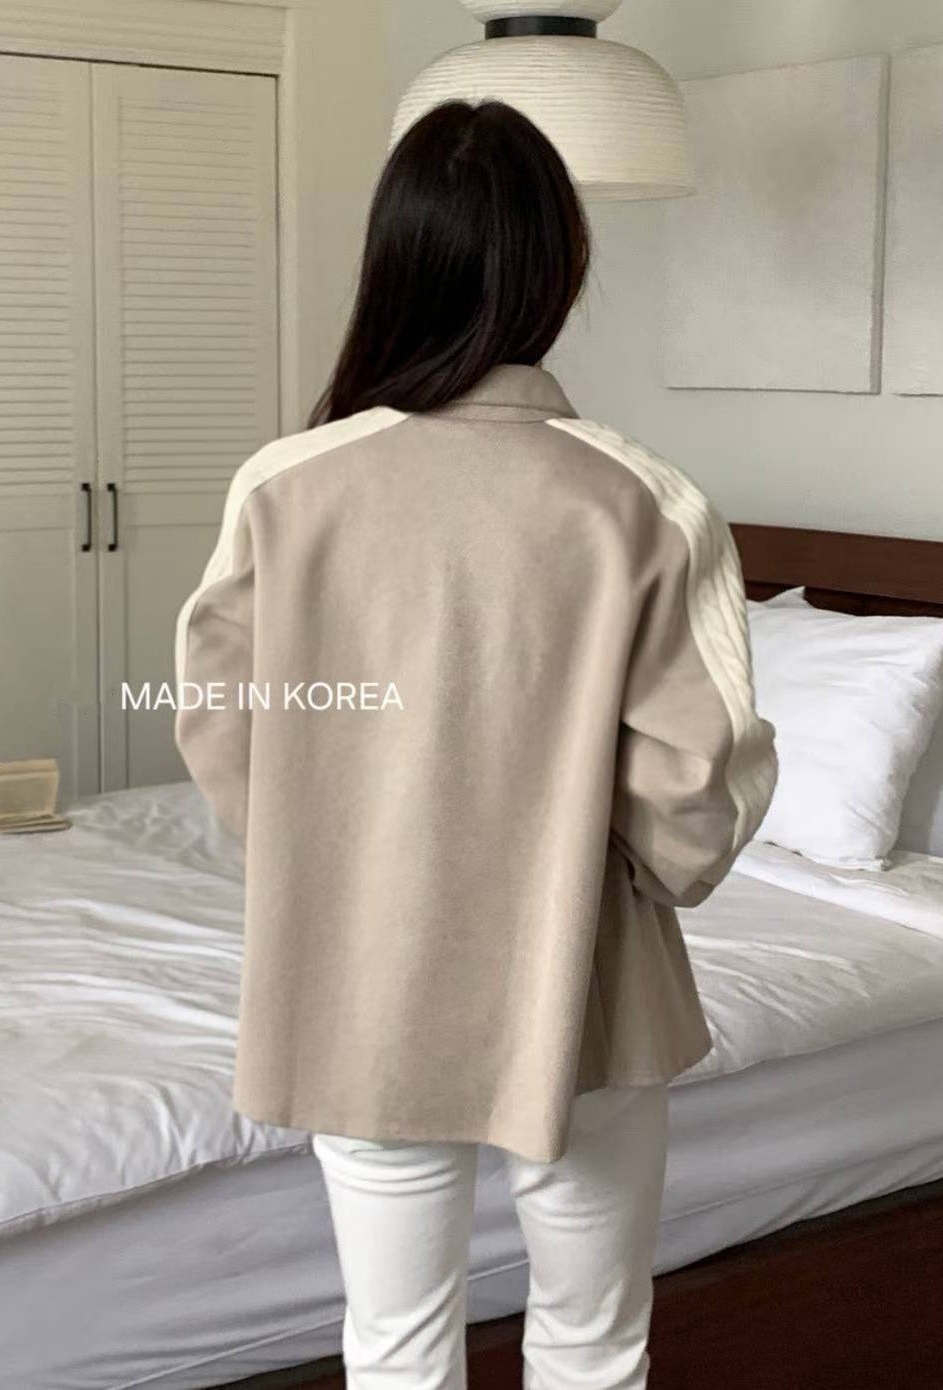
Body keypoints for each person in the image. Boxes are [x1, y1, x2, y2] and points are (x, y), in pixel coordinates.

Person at [174, 99, 777, 1390]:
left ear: (392, 261)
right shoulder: (641, 498)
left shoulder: (288, 482)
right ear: (560, 268)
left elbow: (223, 724)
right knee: (595, 1343)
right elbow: (699, 780)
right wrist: (630, 864)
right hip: (589, 977)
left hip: (361, 972)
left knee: (393, 1348)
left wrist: (324, 846)